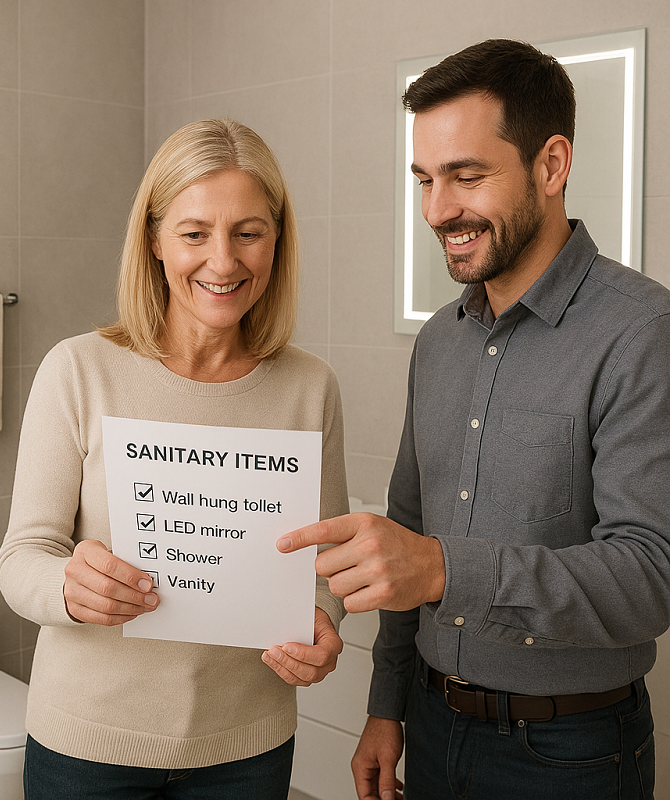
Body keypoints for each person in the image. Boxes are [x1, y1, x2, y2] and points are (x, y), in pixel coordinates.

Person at [278, 39, 670, 800]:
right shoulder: (438, 341)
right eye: (425, 180)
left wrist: (442, 569)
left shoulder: (641, 332)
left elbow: (652, 575)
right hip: (430, 722)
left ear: (551, 165)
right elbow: (407, 528)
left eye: (467, 176)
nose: (436, 211)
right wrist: (386, 706)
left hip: (570, 753)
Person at [0, 118, 349, 800]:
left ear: (277, 240)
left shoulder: (311, 387)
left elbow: (322, 564)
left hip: (247, 748)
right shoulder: (79, 370)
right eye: (194, 233)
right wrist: (69, 586)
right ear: (154, 241)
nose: (223, 261)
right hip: (87, 746)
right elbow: (21, 556)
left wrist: (321, 621)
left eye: (248, 232)